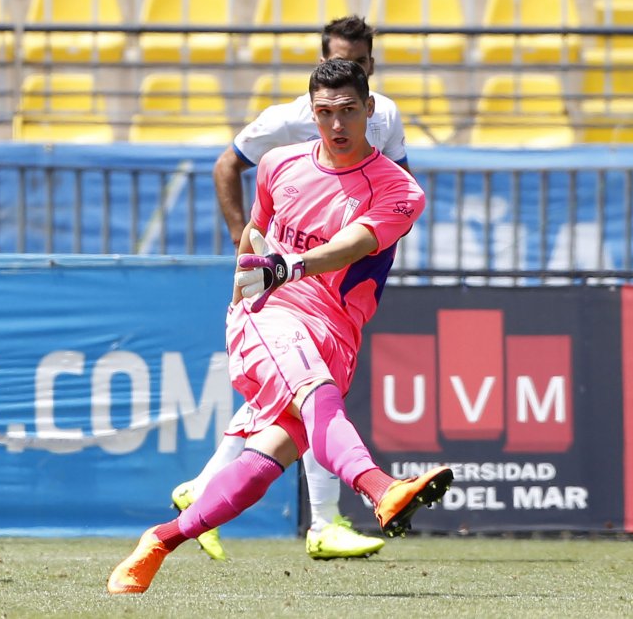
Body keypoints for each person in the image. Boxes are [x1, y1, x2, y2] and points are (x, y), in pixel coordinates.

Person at [108, 59, 453, 595]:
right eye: (324, 113)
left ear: (371, 111)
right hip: (271, 312)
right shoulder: (278, 163)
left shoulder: (399, 190)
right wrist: (241, 300)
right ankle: (381, 489)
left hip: (336, 335)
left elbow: (357, 243)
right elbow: (256, 232)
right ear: (310, 113)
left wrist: (291, 262)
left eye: (348, 112)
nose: (336, 126)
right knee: (314, 398)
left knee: (266, 460)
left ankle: (161, 540)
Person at [172, 15, 411, 562]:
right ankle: (330, 519)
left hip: (344, 277)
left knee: (287, 400)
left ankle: (206, 485)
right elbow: (228, 165)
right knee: (311, 392)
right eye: (338, 59)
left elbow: (392, 192)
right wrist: (247, 247)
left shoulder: (386, 115)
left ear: (370, 72)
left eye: (360, 63)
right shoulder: (286, 125)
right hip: (286, 281)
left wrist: (370, 269)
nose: (335, 121)